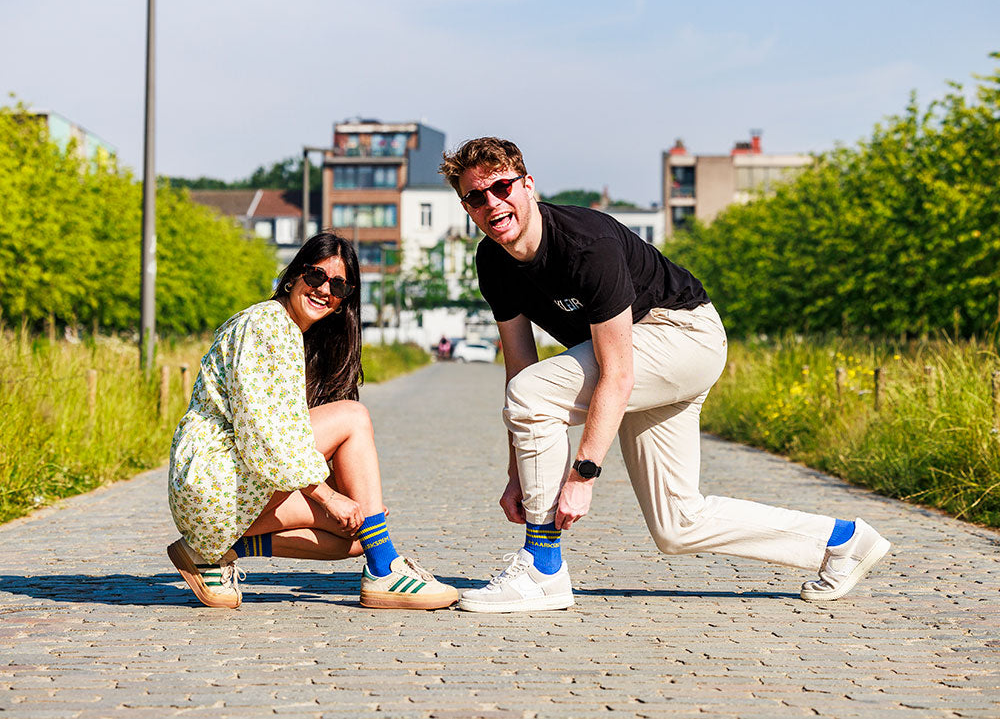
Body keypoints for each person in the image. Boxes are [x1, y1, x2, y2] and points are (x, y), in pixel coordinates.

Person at [439, 137, 891, 613]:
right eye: (475, 196)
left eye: (502, 187)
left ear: (527, 185)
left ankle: (543, 569)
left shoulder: (586, 244)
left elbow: (616, 374)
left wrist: (584, 474)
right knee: (678, 525)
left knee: (535, 394)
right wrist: (518, 473)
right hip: (640, 353)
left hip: (683, 334)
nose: (492, 203)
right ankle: (843, 542)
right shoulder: (492, 262)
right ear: (466, 207)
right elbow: (519, 368)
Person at [166, 232, 458, 610]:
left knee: (355, 535)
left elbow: (285, 437)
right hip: (213, 480)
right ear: (292, 277)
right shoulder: (269, 323)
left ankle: (211, 553)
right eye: (316, 276)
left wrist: (350, 502)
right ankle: (386, 572)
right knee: (353, 417)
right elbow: (265, 436)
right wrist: (329, 496)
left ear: (343, 302)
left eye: (339, 285)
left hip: (221, 501)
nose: (325, 289)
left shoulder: (295, 337)